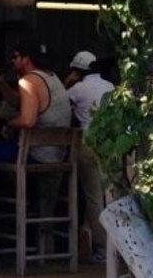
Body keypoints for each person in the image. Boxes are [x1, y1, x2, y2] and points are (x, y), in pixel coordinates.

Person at [64, 50, 115, 261]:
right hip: (109, 143)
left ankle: (103, 250)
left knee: (93, 198)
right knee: (108, 196)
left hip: (87, 142)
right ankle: (105, 243)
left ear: (77, 70)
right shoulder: (110, 86)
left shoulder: (77, 88)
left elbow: (60, 106)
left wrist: (67, 82)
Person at [0, 37, 72, 162]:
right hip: (58, 153)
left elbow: (27, 121)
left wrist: (8, 125)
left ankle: (19, 182)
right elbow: (19, 103)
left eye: (15, 57)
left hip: (39, 155)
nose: (12, 61)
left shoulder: (28, 80)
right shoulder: (52, 76)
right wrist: (1, 83)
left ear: (26, 59)